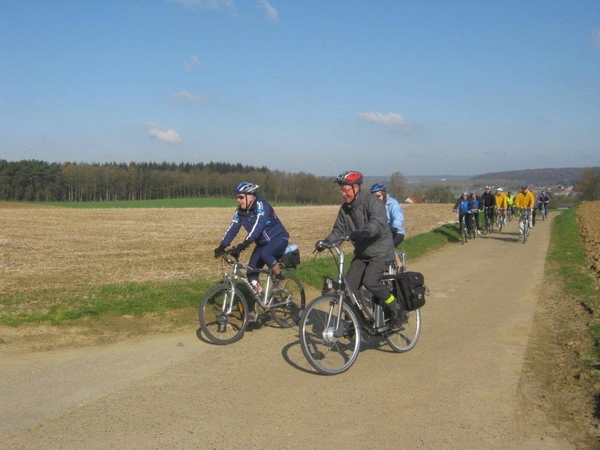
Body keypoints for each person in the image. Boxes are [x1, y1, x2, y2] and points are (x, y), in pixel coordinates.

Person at [315, 171, 404, 327]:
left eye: (346, 190)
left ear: (356, 187)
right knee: (349, 286)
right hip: (362, 254)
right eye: (341, 190)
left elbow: (377, 222)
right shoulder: (345, 210)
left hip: (381, 252)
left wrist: (365, 231)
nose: (343, 193)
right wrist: (326, 242)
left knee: (370, 281)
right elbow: (338, 231)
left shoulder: (372, 202)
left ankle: (395, 306)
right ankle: (354, 323)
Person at [214, 182, 289, 317]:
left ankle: (280, 278)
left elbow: (258, 227)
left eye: (241, 197)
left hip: (278, 239)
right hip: (262, 244)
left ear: (251, 196)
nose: (238, 200)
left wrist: (244, 244)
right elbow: (233, 228)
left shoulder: (262, 206)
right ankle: (261, 300)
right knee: (251, 273)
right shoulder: (240, 211)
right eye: (238, 197)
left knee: (266, 253)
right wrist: (222, 246)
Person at [370, 183, 405, 269]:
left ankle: (399, 265)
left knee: (388, 246)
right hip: (382, 233)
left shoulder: (393, 203)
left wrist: (395, 227)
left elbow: (398, 216)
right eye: (373, 197)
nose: (376, 199)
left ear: (384, 195)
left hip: (395, 232)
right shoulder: (372, 206)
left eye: (378, 196)